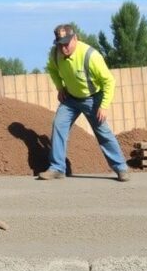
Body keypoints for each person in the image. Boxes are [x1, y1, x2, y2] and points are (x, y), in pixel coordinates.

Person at [39, 24, 131, 182]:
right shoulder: (55, 54)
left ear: (75, 38)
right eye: (60, 44)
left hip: (93, 98)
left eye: (66, 43)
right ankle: (57, 168)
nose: (64, 48)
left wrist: (103, 106)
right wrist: (60, 88)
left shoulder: (91, 56)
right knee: (58, 125)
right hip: (70, 99)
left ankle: (121, 168)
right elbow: (52, 70)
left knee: (102, 132)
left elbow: (109, 81)